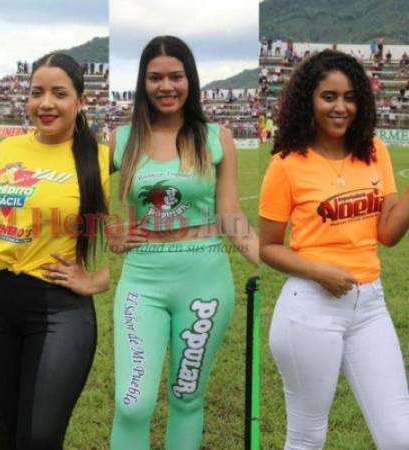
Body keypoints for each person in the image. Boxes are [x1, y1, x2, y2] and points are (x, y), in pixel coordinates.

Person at [108, 35, 258, 450]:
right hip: (142, 281)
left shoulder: (215, 136)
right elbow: (83, 195)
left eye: (175, 76)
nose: (166, 86)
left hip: (204, 282)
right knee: (132, 403)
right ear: (143, 82)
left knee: (186, 397)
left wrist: (273, 257)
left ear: (190, 79)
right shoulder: (121, 139)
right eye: (155, 77)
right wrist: (109, 231)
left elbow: (230, 214)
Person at [259, 50, 409, 449]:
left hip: (370, 306)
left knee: (400, 435)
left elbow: (389, 233)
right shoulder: (287, 164)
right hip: (310, 307)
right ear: (309, 99)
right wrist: (318, 271)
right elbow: (268, 247)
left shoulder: (375, 150)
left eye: (350, 97)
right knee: (308, 436)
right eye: (329, 97)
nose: (341, 107)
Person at [0, 52, 109, 449]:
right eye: (36, 92)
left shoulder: (101, 158)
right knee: (8, 436)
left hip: (60, 309)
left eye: (59, 93)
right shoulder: (6, 151)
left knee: (39, 438)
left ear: (81, 101)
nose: (45, 103)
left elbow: (135, 238)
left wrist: (97, 279)